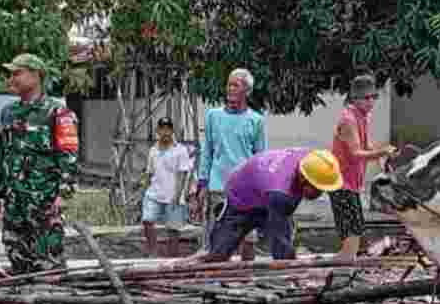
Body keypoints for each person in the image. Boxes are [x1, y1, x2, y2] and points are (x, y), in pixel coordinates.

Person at [0, 53, 79, 274]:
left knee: (48, 264)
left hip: (44, 204)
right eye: (11, 74)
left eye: (17, 73)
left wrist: (62, 195)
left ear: (36, 75)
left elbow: (69, 157)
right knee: (17, 260)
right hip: (14, 203)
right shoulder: (8, 112)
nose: (12, 79)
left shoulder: (58, 113)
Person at [196, 148, 341, 262]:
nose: (320, 193)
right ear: (304, 178)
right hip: (240, 200)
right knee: (218, 255)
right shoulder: (281, 192)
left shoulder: (313, 159)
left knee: (284, 228)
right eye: (317, 188)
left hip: (265, 187)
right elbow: (279, 239)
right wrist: (289, 268)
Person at [193, 68, 266, 258]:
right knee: (218, 241)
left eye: (236, 85)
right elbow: (207, 151)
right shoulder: (213, 116)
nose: (230, 89)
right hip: (218, 187)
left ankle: (246, 280)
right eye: (229, 84)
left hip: (246, 191)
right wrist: (202, 184)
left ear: (247, 91)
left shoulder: (256, 120)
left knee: (248, 239)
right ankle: (216, 280)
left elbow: (260, 159)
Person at [330, 74, 396, 260]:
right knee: (351, 231)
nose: (371, 102)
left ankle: (346, 266)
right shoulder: (349, 119)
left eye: (374, 97)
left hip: (352, 183)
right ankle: (344, 270)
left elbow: (366, 146)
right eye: (366, 98)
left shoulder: (363, 117)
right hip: (340, 183)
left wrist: (382, 157)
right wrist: (382, 152)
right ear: (355, 98)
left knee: (356, 227)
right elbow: (356, 153)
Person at [142, 117, 193, 257]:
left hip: (173, 195)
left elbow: (183, 174)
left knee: (173, 229)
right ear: (157, 131)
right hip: (154, 194)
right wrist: (143, 189)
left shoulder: (180, 150)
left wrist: (177, 196)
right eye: (162, 129)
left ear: (172, 131)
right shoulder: (153, 150)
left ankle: (172, 259)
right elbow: (149, 172)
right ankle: (153, 253)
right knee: (147, 220)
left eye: (168, 129)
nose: (165, 132)